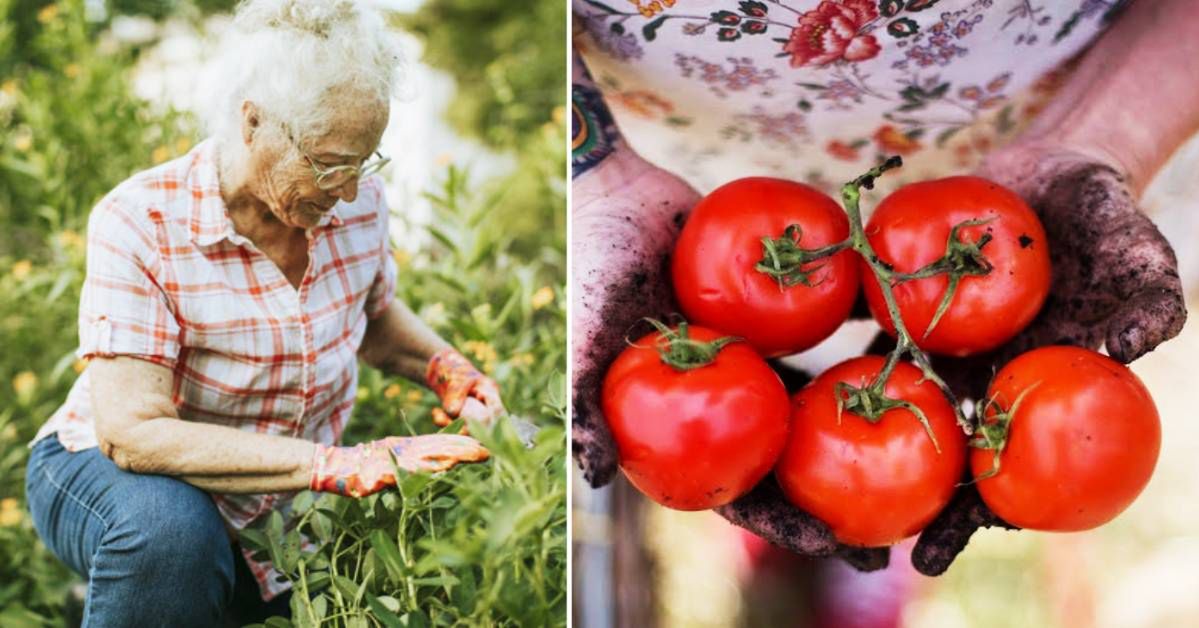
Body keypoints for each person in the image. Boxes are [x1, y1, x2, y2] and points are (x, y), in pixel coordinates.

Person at [572, 0, 1193, 585]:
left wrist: (1104, 138)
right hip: (686, 165)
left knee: (805, 398)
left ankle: (842, 557)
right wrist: (598, 181)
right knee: (787, 390)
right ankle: (787, 527)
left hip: (1093, 104)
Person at [23, 1, 505, 625]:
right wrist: (333, 465)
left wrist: (447, 369)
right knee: (171, 536)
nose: (350, 189)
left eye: (365, 162)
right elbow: (133, 434)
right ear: (254, 124)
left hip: (275, 495)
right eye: (331, 163)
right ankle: (145, 573)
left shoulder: (356, 203)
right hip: (109, 469)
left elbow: (374, 314)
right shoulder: (140, 221)